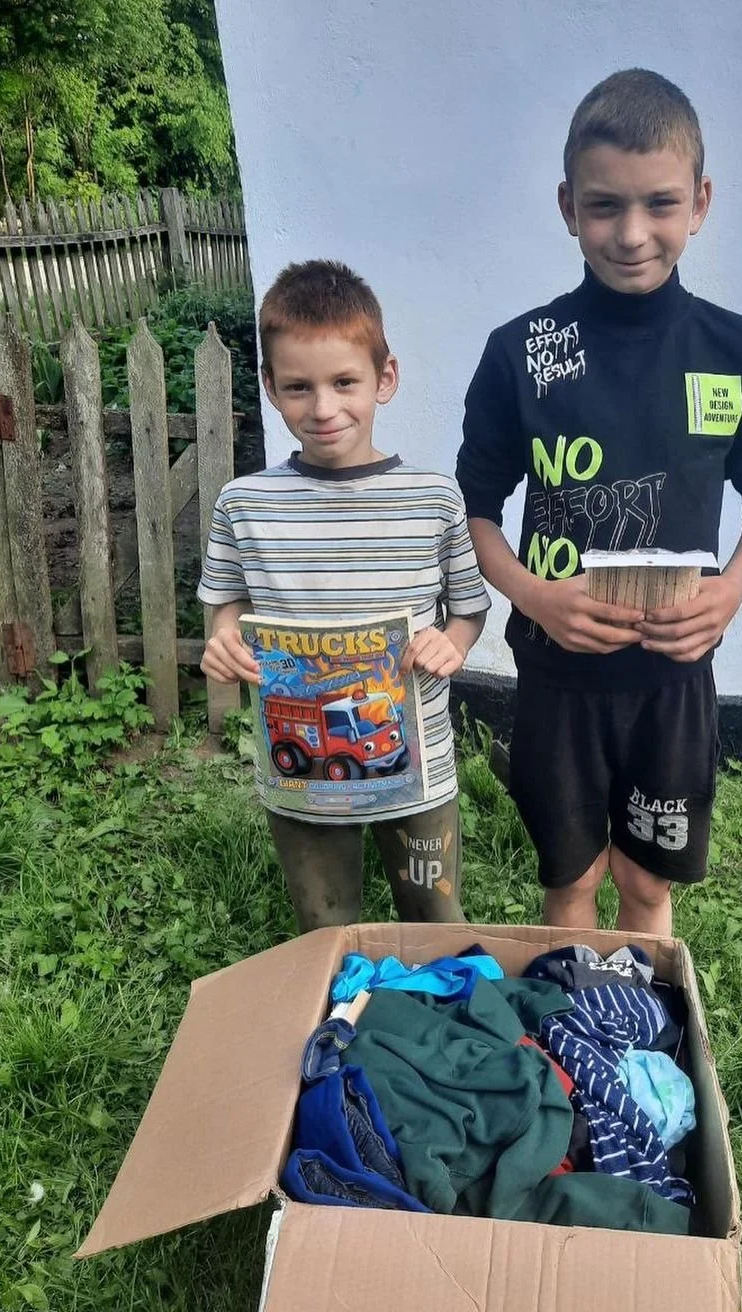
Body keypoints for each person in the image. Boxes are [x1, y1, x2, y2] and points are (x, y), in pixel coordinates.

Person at [456, 69, 742, 937]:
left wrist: (730, 591)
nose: (633, 234)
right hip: (557, 681)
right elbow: (477, 512)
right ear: (568, 204)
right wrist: (532, 595)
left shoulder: (741, 352)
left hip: (673, 681)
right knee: (570, 884)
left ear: (701, 202)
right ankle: (575, 1051)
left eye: (660, 204)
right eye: (605, 206)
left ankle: (640, 1035)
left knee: (646, 887)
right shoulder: (523, 352)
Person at [199, 260, 490, 931]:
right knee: (326, 928)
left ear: (385, 378)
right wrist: (222, 637)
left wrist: (452, 643)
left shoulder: (433, 497)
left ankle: (439, 1016)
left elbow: (470, 608)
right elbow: (226, 603)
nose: (323, 408)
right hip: (301, 779)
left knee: (435, 917)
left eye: (344, 382)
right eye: (299, 387)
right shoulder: (244, 504)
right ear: (270, 388)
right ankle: (340, 1018)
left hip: (417, 764)